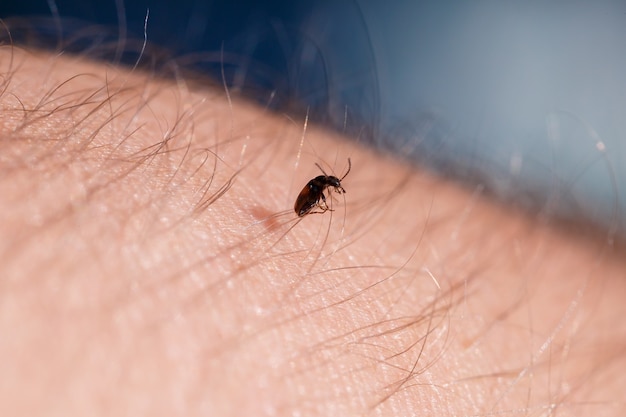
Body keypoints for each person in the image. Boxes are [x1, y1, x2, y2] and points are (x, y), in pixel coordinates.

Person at [0, 7, 624, 417]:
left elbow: (321, 189)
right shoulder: (316, 188)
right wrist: (311, 202)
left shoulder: (321, 184)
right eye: (327, 192)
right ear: (321, 191)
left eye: (324, 193)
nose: (328, 194)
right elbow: (316, 192)